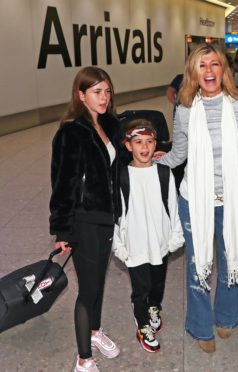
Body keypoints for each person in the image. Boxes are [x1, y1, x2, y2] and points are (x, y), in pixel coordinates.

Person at [154, 44, 238, 354]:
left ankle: (227, 316)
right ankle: (200, 325)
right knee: (197, 264)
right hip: (195, 200)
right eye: (201, 65)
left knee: (231, 259)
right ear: (193, 72)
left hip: (234, 198)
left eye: (214, 64)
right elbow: (179, 154)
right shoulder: (185, 109)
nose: (208, 71)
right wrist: (149, 162)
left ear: (224, 70)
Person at [49, 67, 122, 372]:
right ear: (81, 95)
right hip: (83, 220)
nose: (104, 97)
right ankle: (83, 359)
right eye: (96, 92)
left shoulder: (108, 124)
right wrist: (62, 229)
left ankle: (94, 332)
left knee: (98, 283)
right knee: (88, 289)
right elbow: (62, 182)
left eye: (107, 91)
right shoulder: (71, 131)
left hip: (106, 216)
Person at [112, 121, 184, 353]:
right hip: (134, 246)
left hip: (160, 244)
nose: (144, 147)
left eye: (150, 142)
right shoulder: (122, 177)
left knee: (157, 284)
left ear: (156, 145)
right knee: (140, 289)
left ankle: (154, 307)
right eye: (138, 142)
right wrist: (120, 247)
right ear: (128, 145)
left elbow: (174, 207)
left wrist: (174, 239)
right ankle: (142, 323)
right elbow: (116, 215)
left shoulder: (164, 173)